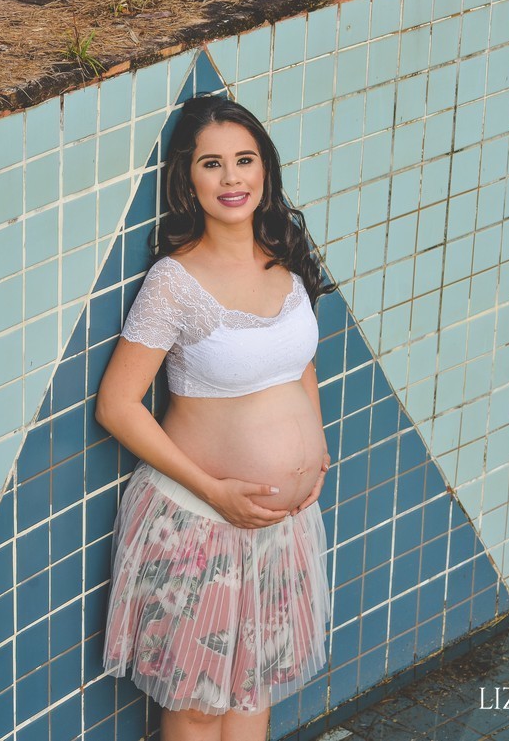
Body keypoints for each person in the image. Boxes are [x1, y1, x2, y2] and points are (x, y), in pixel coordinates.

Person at [95, 93, 336, 741]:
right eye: (212, 164)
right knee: (200, 705)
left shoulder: (284, 254)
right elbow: (117, 404)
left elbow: (301, 364)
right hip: (199, 522)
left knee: (253, 691)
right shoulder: (175, 282)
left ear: (265, 169)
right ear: (187, 179)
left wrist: (317, 450)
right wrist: (215, 490)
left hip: (280, 525)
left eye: (244, 160)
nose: (232, 178)